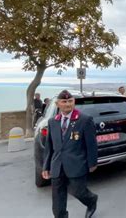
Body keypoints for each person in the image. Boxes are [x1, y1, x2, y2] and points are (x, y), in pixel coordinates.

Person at [42, 90, 98, 218]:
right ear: (57, 104)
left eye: (70, 101)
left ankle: (91, 200)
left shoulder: (84, 120)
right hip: (57, 165)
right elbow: (49, 147)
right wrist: (46, 166)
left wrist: (92, 163)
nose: (68, 104)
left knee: (79, 192)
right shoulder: (52, 122)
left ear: (74, 102)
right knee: (57, 198)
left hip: (77, 163)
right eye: (64, 101)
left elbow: (91, 144)